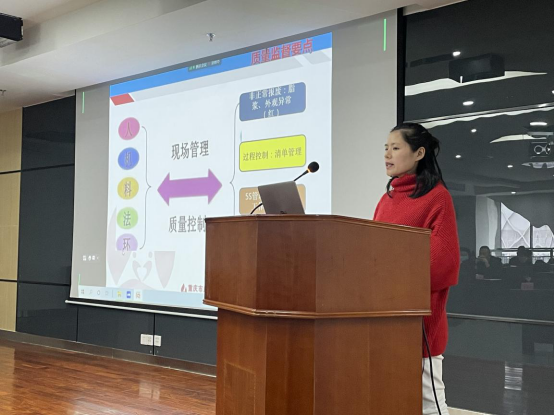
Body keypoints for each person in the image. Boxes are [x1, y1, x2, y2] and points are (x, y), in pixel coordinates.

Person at [374, 123, 459, 415]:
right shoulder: (386, 200)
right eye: (386, 148)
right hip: (385, 319)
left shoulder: (438, 197)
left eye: (395, 148)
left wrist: (389, 273)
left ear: (419, 153)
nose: (387, 154)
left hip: (420, 323)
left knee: (430, 405)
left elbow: (443, 263)